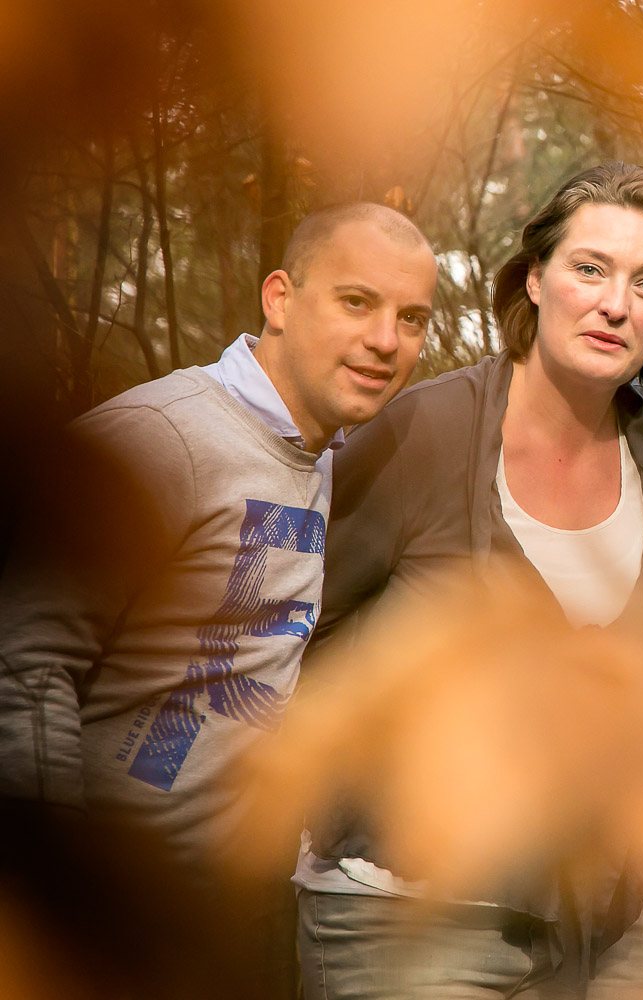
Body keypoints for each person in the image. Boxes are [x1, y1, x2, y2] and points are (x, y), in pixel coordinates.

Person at [292, 161, 643, 999]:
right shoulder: (421, 432)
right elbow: (291, 641)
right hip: (411, 916)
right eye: (590, 269)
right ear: (534, 279)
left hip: (605, 925)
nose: (615, 304)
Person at [0, 202, 438, 995]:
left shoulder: (316, 453)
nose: (386, 341)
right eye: (356, 302)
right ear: (279, 298)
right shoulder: (163, 436)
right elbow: (23, 662)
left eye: (412, 318)